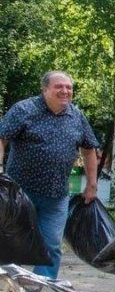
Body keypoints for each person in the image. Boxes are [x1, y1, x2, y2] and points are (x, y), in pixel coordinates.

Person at [0, 71, 99, 280]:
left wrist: (92, 184)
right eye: (59, 87)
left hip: (56, 195)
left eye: (69, 87)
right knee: (11, 242)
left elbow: (89, 149)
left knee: (52, 245)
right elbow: (2, 138)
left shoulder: (76, 116)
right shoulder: (24, 110)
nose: (65, 91)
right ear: (45, 89)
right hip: (20, 192)